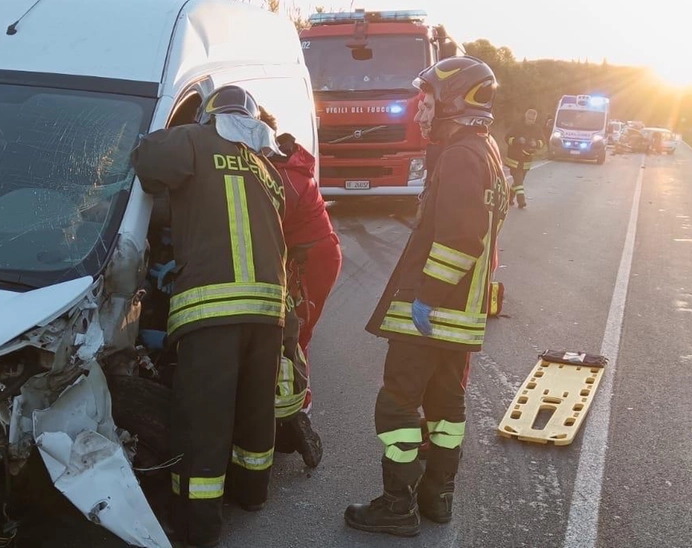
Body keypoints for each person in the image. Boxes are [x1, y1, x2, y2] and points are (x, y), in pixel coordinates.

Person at [345, 56, 510, 537]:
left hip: (432, 311)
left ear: (454, 102)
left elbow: (461, 237)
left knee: (398, 404)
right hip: (460, 314)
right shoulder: (486, 149)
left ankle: (397, 507)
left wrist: (428, 296)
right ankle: (437, 496)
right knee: (446, 403)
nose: (419, 113)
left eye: (428, 102)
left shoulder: (460, 154)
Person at [130, 85, 287, 548]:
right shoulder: (265, 165)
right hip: (268, 310)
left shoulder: (195, 141)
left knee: (203, 419)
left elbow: (149, 163)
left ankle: (198, 527)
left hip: (212, 308)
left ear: (209, 116)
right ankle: (252, 493)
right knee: (255, 409)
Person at [258, 107, 342, 468]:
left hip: (311, 263)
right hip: (308, 258)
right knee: (295, 336)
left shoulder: (283, 177)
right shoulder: (284, 167)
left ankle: (299, 415)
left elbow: (265, 221)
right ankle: (295, 407)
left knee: (296, 338)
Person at [503, 109, 544, 208]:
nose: (531, 121)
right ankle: (521, 201)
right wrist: (517, 140)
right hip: (514, 159)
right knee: (519, 180)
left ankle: (508, 198)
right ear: (526, 116)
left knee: (518, 182)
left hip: (527, 160)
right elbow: (507, 138)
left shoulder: (537, 128)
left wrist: (537, 143)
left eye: (533, 119)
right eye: (529, 118)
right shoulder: (517, 125)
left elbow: (543, 141)